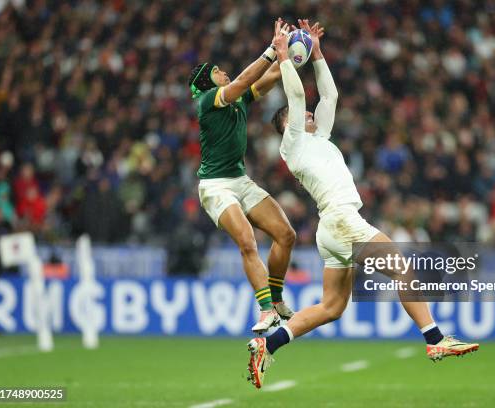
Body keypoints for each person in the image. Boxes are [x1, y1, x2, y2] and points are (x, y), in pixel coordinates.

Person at [246, 19, 479, 389]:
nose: (308, 114)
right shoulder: (291, 144)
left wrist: (318, 56)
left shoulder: (318, 137)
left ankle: (267, 344)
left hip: (332, 228)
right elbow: (295, 97)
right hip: (341, 221)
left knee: (331, 308)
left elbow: (330, 97)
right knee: (403, 268)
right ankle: (435, 340)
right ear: (285, 126)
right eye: (299, 115)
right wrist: (282, 56)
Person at [189, 19, 296, 333]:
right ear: (208, 83)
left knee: (286, 235)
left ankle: (275, 298)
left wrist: (293, 56)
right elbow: (245, 80)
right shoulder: (207, 101)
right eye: (216, 71)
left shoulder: (238, 100)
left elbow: (270, 77)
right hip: (216, 187)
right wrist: (270, 50)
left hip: (239, 181)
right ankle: (265, 311)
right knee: (248, 242)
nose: (223, 71)